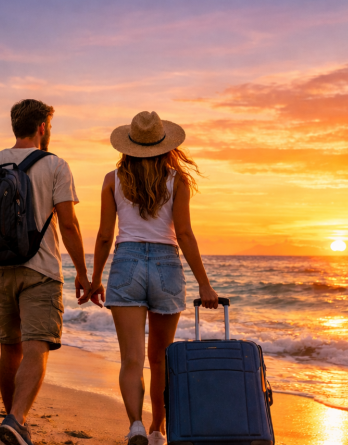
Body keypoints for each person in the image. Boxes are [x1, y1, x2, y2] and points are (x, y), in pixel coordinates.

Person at [0, 99, 91, 445]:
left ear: (15, 126)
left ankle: (14, 421)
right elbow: (69, 225)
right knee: (37, 346)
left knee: (10, 349)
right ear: (42, 127)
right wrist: (83, 273)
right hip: (40, 269)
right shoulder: (55, 165)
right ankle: (16, 419)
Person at [84, 111, 219, 445]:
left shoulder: (112, 180)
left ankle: (136, 425)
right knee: (159, 358)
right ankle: (158, 429)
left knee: (131, 359)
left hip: (126, 264)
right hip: (166, 266)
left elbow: (104, 236)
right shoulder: (178, 180)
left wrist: (95, 279)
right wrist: (204, 283)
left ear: (128, 145)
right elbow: (184, 234)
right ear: (165, 145)